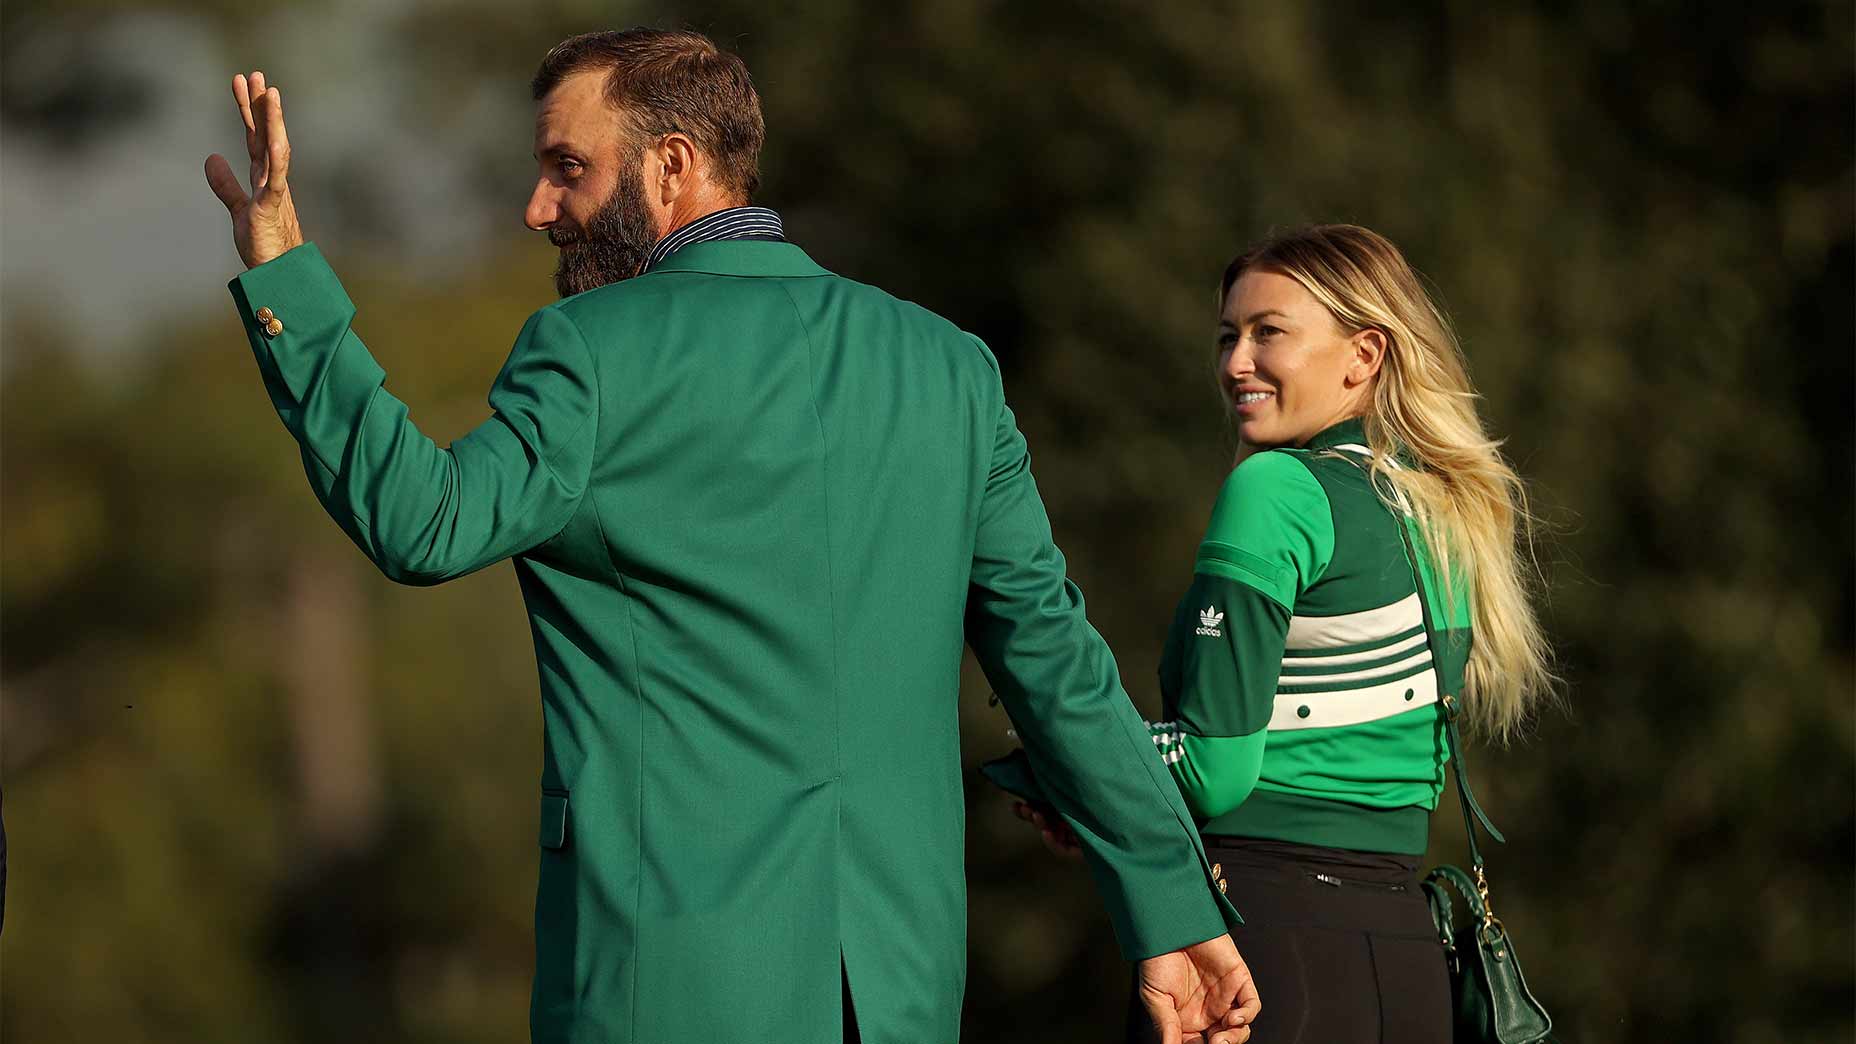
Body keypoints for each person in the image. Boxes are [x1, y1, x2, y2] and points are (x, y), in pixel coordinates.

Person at [201, 28, 1263, 1044]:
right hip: (897, 988)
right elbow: (1058, 670)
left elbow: (422, 521)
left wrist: (288, 277)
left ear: (669, 167)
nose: (537, 208)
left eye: (565, 168)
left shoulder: (588, 352)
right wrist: (1170, 911)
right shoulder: (948, 366)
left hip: (658, 984)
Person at [1016, 224, 1554, 1042]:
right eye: (1228, 335)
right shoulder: (1443, 508)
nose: (1236, 362)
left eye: (1270, 333)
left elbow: (1213, 768)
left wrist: (1069, 766)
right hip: (1410, 964)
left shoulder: (1276, 489)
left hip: (1262, 952)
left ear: (1363, 354)